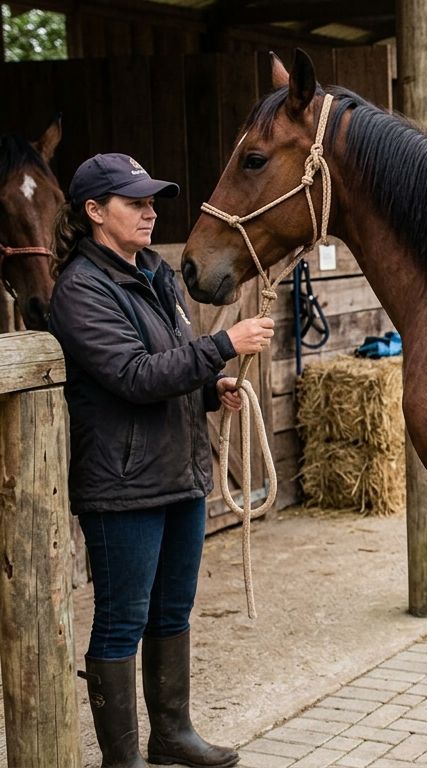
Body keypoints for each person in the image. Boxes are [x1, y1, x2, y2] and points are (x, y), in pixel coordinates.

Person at [48, 153, 274, 768]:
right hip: (123, 486)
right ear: (95, 212)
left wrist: (211, 389)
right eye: (135, 203)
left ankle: (171, 733)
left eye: (153, 201)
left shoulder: (155, 273)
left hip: (180, 472)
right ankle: (121, 761)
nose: (152, 212)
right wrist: (223, 344)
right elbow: (132, 374)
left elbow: (170, 363)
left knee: (172, 610)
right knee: (123, 620)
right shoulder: (80, 290)